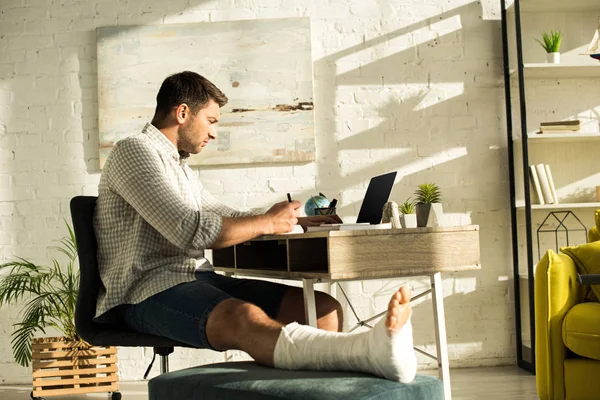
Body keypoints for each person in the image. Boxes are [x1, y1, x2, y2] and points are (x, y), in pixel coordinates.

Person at [94, 71, 417, 383]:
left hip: (197, 277)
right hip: (144, 292)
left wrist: (290, 221)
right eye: (211, 121)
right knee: (243, 317)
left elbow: (224, 214)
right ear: (182, 113)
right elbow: (189, 229)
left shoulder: (179, 168)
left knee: (322, 309)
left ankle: (317, 390)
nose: (214, 133)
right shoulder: (135, 151)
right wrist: (266, 222)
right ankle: (366, 351)